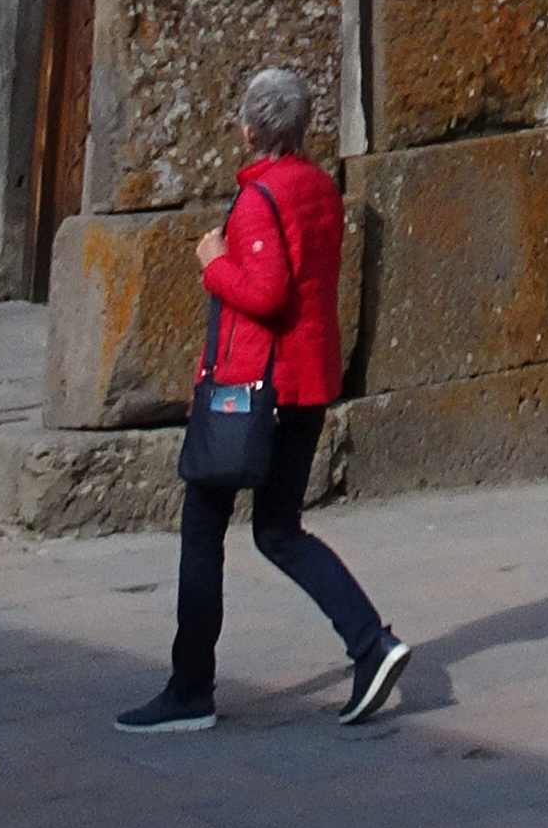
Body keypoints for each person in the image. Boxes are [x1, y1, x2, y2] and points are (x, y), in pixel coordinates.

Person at [114, 63, 408, 734]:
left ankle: (190, 689)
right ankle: (371, 644)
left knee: (202, 527)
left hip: (254, 390)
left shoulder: (259, 199)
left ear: (250, 129)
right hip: (306, 382)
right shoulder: (320, 189)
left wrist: (214, 263)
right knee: (278, 530)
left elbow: (268, 293)